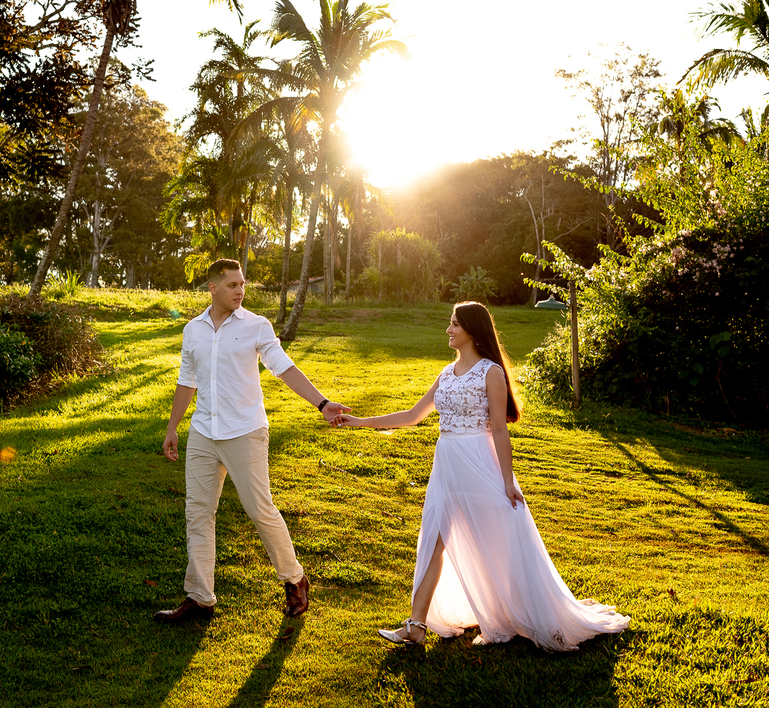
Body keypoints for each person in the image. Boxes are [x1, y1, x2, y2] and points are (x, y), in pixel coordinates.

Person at [333, 301, 630, 651]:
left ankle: (511, 612)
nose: (448, 330)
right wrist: (359, 422)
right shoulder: (446, 372)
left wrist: (507, 481)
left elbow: (500, 430)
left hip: (479, 464)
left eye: (455, 324)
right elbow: (413, 415)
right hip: (447, 466)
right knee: (434, 541)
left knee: (498, 540)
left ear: (472, 331)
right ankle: (416, 626)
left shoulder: (491, 372)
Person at [155, 259, 350, 624]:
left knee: (260, 510)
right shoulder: (193, 330)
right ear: (213, 288)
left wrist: (322, 404)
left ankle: (295, 579)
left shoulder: (256, 325)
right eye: (232, 285)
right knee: (198, 514)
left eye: (242, 284)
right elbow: (186, 381)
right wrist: (172, 427)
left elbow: (283, 367)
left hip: (245, 432)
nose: (240, 291)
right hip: (203, 433)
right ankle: (200, 597)